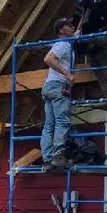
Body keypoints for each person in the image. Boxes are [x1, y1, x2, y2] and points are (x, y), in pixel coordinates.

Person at [41, 17, 79, 168]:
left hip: (49, 86)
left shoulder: (63, 43)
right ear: (62, 30)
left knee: (49, 124)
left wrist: (83, 20)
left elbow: (77, 33)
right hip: (58, 86)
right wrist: (67, 74)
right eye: (69, 26)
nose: (73, 27)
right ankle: (58, 155)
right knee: (62, 120)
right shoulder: (63, 44)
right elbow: (48, 59)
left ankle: (47, 158)